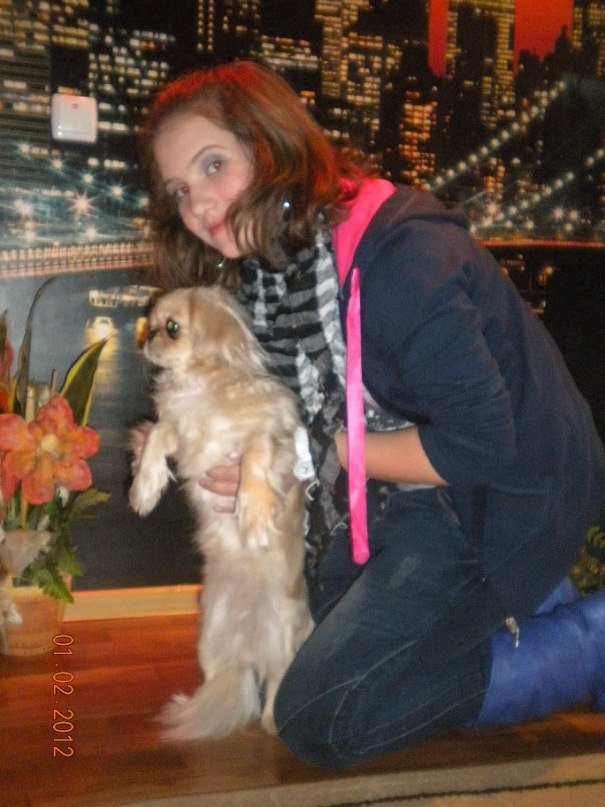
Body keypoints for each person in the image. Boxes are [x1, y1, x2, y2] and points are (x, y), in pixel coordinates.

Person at [140, 60, 605, 767]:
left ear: (271, 145)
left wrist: (308, 454)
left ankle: (586, 640)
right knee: (313, 643)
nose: (198, 203)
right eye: (179, 188)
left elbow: (477, 447)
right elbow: (295, 420)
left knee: (317, 714)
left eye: (213, 165)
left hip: (502, 493)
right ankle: (524, 605)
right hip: (394, 492)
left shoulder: (399, 259)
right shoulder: (265, 273)